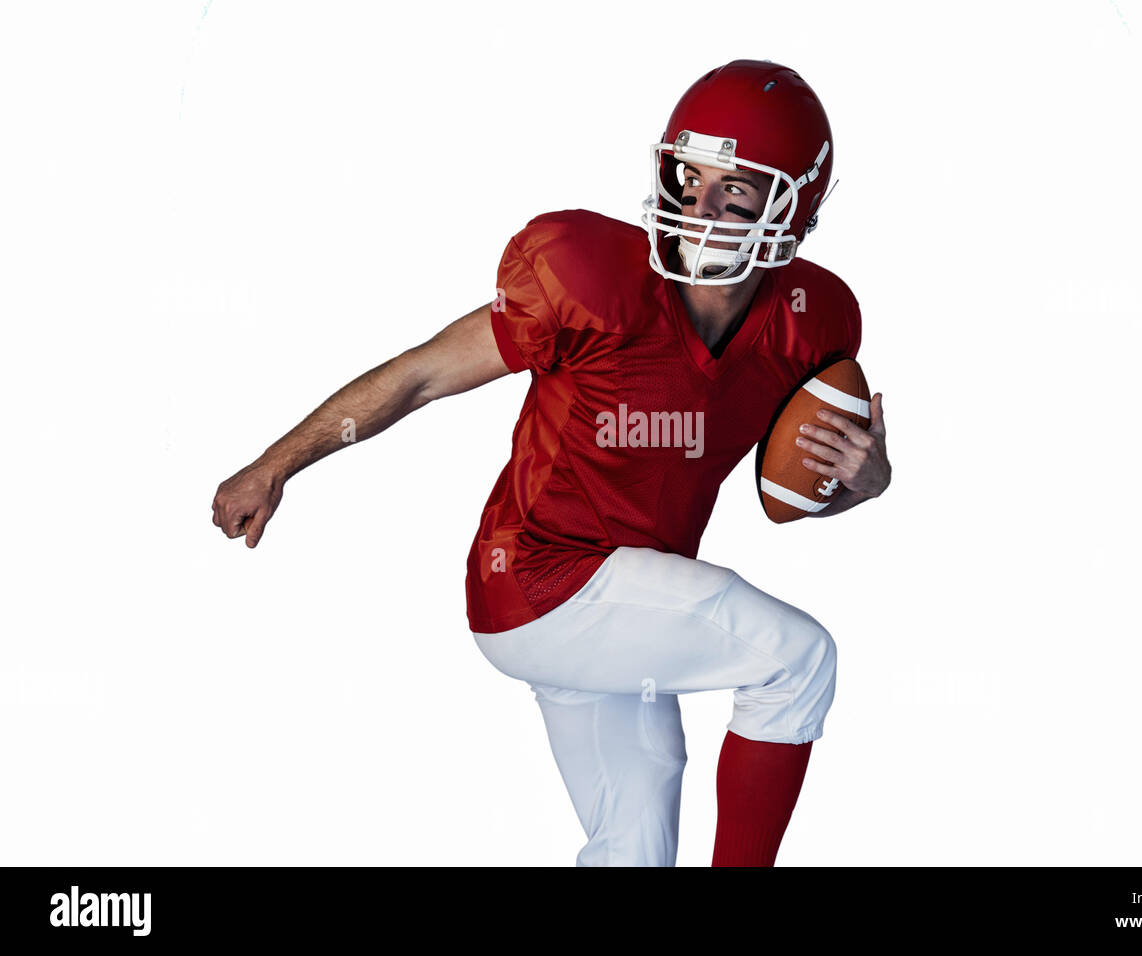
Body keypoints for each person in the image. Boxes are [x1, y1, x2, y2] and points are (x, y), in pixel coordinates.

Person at [212, 59, 891, 866]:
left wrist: (868, 482)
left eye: (734, 190)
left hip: (626, 613)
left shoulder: (812, 321)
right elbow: (422, 373)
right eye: (688, 176)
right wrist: (276, 464)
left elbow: (787, 495)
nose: (698, 209)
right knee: (797, 661)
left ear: (793, 212)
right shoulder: (590, 276)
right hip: (543, 579)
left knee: (633, 845)